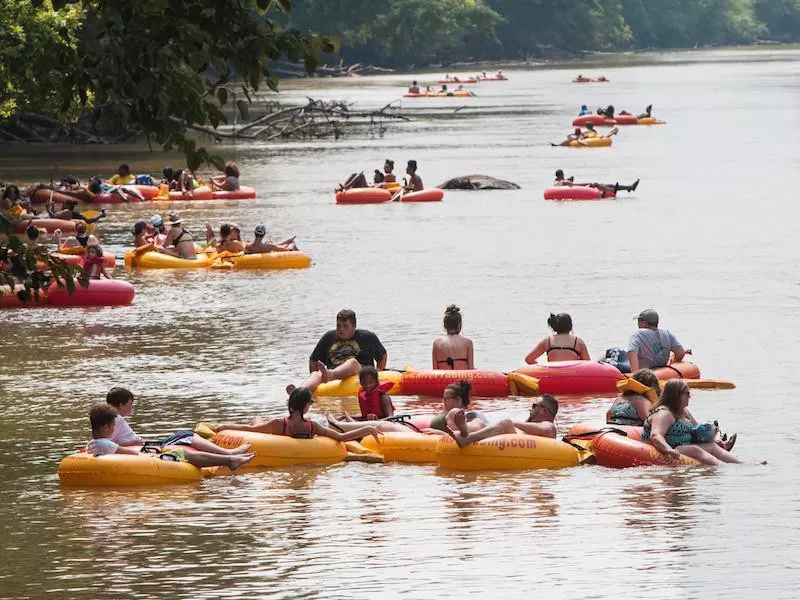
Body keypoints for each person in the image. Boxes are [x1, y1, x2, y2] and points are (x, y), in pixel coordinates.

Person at [86, 403, 256, 470]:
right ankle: (229, 460)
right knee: (184, 454)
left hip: (144, 455)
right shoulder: (105, 444)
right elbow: (133, 454)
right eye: (114, 425)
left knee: (180, 449)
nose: (115, 427)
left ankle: (229, 458)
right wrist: (151, 451)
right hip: (147, 459)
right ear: (106, 426)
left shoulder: (93, 444)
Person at [104, 386, 255, 453]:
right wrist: (135, 442)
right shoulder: (115, 419)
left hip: (142, 444)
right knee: (186, 435)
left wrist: (137, 441)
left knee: (183, 434)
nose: (132, 408)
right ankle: (228, 454)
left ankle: (223, 453)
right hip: (141, 448)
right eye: (130, 404)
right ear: (121, 405)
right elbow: (108, 442)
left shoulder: (113, 418)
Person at [213, 386, 382, 443]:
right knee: (257, 422)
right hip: (302, 440)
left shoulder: (279, 424)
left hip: (278, 432)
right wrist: (367, 428)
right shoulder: (312, 427)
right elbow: (340, 437)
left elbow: (249, 430)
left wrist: (224, 427)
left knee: (256, 421)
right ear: (306, 406)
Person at [642, 380, 745, 465]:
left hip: (683, 447)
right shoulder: (665, 413)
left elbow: (696, 429)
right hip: (670, 449)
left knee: (712, 446)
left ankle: (743, 464)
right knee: (694, 449)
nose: (689, 397)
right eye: (687, 393)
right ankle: (722, 467)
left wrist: (713, 437)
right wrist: (668, 449)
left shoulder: (683, 411)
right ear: (676, 395)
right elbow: (656, 435)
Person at [307, 309, 387, 387]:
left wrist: (377, 375)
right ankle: (300, 392)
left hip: (358, 374)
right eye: (338, 326)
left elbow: (382, 356)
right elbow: (314, 360)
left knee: (352, 363)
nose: (341, 329)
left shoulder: (368, 337)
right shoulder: (328, 337)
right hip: (333, 378)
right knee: (316, 374)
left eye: (345, 326)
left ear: (354, 326)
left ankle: (330, 374)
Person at [425, 381, 516, 448]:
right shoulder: (465, 414)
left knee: (475, 421)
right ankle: (464, 431)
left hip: (469, 428)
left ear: (458, 400)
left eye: (445, 398)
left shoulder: (457, 413)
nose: (443, 402)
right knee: (484, 423)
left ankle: (464, 432)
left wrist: (442, 434)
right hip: (475, 429)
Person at [525, 313, 590, 363]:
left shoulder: (547, 341)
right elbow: (588, 364)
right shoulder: (578, 342)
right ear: (570, 326)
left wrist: (543, 368)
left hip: (553, 374)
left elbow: (529, 360)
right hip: (572, 374)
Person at [432, 304, 474, 370]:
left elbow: (435, 370)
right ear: (459, 325)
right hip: (461, 380)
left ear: (445, 326)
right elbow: (471, 370)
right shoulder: (467, 343)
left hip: (444, 380)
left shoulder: (436, 344)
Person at [554, 169, 639, 194]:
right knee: (596, 184)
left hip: (574, 190)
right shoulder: (564, 182)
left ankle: (629, 187)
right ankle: (613, 190)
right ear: (561, 175)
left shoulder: (556, 182)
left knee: (606, 185)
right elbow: (576, 185)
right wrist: (587, 183)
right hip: (580, 190)